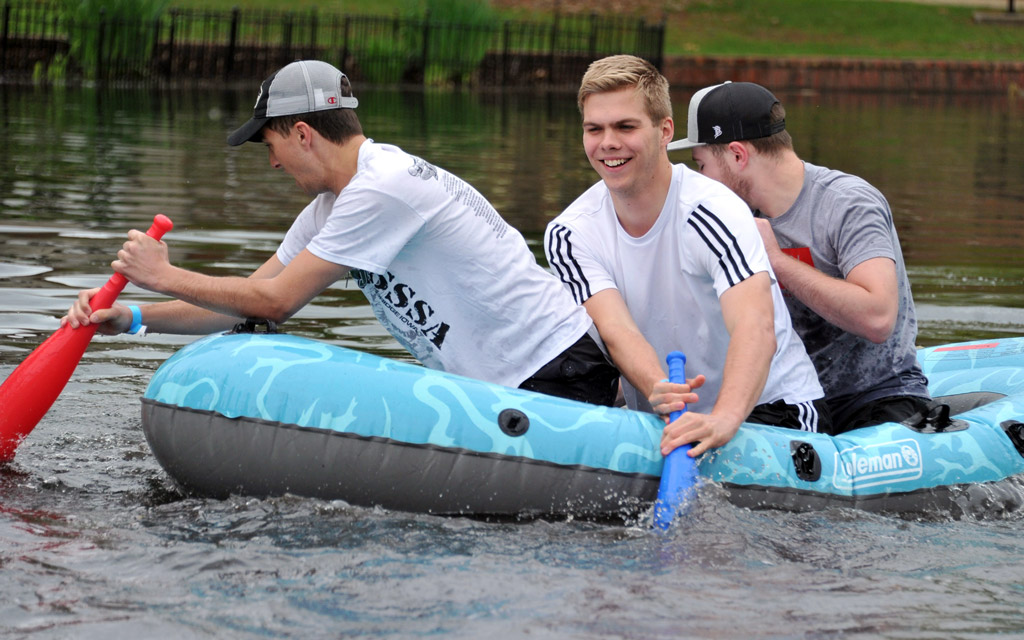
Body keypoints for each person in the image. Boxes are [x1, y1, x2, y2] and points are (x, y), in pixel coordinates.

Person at [63, 59, 620, 406]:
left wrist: (163, 276)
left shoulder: (381, 187)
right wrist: (132, 319)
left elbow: (275, 303)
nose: (273, 164)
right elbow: (246, 306)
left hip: (556, 370)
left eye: (271, 146)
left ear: (302, 133)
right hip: (508, 382)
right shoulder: (334, 205)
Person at [544, 55, 829, 459]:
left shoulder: (713, 209)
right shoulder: (569, 233)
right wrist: (659, 386)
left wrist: (725, 419)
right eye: (595, 129)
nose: (608, 142)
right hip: (670, 417)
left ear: (665, 131)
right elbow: (617, 330)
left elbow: (756, 325)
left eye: (626, 126)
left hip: (772, 407)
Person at [669, 81, 930, 433]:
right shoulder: (727, 218)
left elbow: (878, 318)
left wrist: (776, 261)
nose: (700, 180)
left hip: (876, 397)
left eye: (701, 165)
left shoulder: (848, 203)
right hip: (789, 401)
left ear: (737, 155)